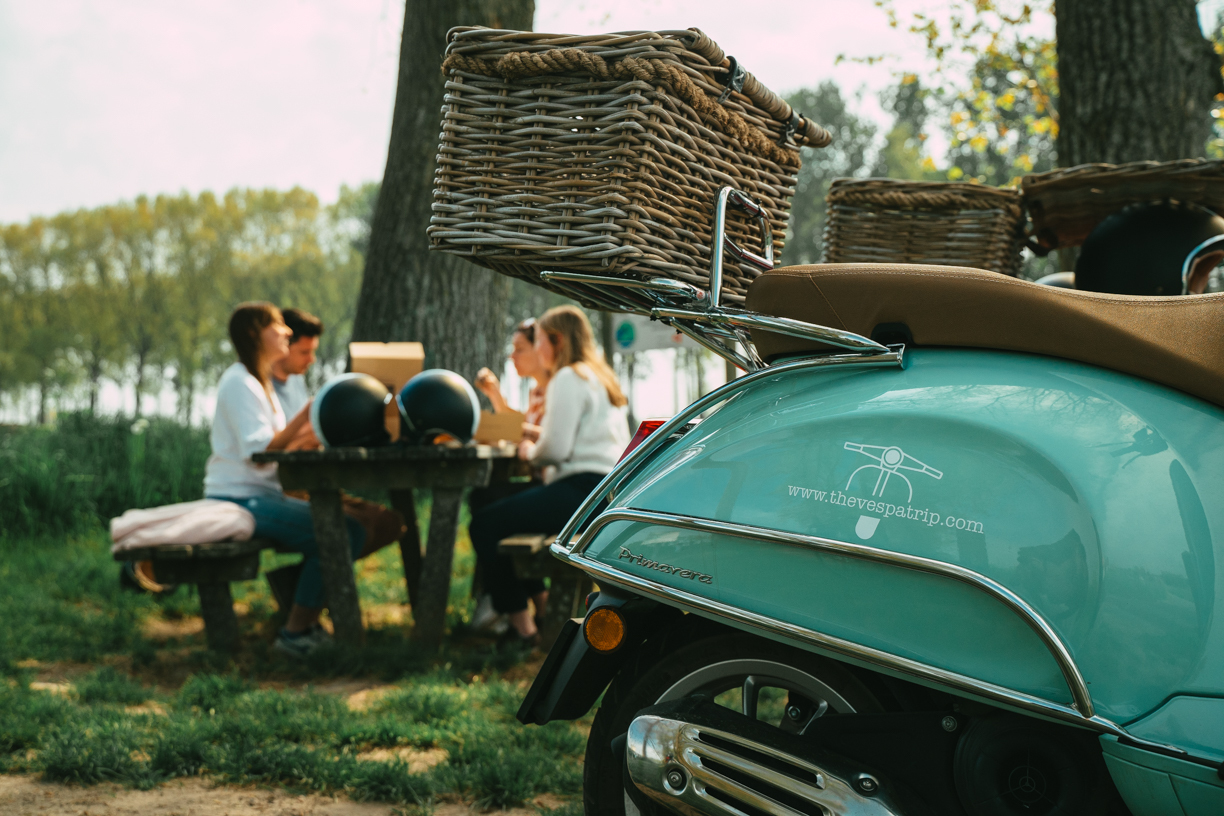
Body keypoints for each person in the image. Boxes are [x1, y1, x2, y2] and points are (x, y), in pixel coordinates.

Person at [204, 302, 366, 658]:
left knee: (343, 529)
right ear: (253, 334)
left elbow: (278, 444)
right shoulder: (240, 382)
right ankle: (295, 633)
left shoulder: (257, 381)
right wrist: (308, 413)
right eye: (276, 326)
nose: (286, 332)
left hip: (259, 494)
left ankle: (302, 621)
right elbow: (260, 451)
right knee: (340, 531)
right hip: (240, 498)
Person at [469, 306, 630, 643]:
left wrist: (530, 450)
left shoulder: (568, 377)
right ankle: (536, 611)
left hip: (577, 493)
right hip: (601, 494)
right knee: (492, 506)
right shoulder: (599, 376)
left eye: (540, 340)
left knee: (484, 523)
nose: (539, 349)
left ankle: (523, 628)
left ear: (556, 340)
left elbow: (555, 449)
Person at [469, 318, 552, 632]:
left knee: (485, 508)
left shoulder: (558, 387)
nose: (512, 356)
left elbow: (546, 436)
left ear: (541, 350)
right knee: (485, 499)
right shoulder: (537, 391)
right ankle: (535, 602)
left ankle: (515, 614)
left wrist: (520, 432)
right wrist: (495, 396)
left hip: (558, 487)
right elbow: (522, 429)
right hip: (544, 483)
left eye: (520, 349)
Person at [271, 308, 322, 419]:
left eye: (312, 351)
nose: (312, 359)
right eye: (304, 352)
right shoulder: (258, 388)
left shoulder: (296, 377)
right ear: (282, 345)